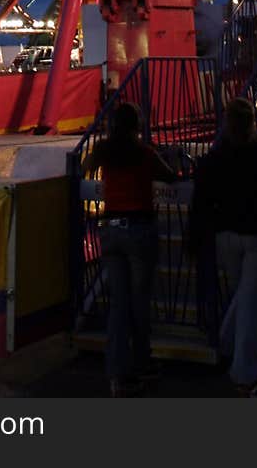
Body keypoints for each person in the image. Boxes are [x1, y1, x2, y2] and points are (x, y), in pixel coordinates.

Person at [189, 97, 257, 397]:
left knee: (244, 298)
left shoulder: (214, 160)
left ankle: (231, 346)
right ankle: (245, 376)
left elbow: (202, 198)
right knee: (248, 302)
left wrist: (196, 235)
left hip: (227, 236)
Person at [85, 101, 177, 397]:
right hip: (139, 229)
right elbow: (170, 176)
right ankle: (142, 361)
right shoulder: (144, 153)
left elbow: (83, 167)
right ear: (136, 125)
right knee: (139, 302)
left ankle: (117, 374)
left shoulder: (104, 151)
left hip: (110, 230)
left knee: (119, 305)